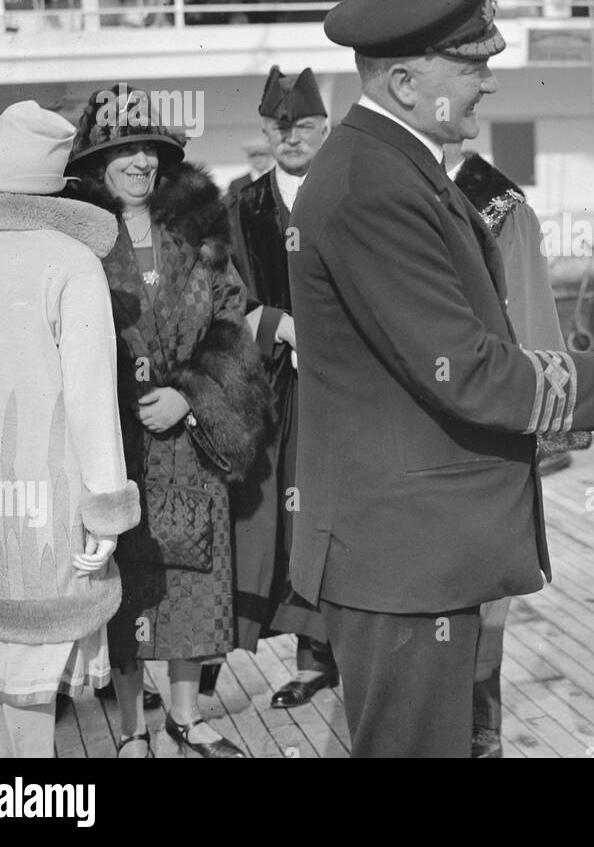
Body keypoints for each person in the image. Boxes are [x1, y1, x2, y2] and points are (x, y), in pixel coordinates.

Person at [289, 0, 594, 758]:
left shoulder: (399, 168)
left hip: (425, 555)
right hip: (404, 563)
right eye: (472, 64)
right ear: (403, 80)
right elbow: (469, 370)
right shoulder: (375, 189)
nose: (488, 82)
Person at [65, 88, 272, 758]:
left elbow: (233, 323)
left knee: (194, 583)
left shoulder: (199, 234)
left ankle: (185, 717)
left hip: (189, 441)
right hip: (115, 445)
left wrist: (190, 393)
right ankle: (131, 729)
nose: (138, 162)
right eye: (122, 149)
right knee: (125, 588)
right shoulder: (79, 240)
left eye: (147, 149)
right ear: (98, 162)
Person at [0, 101, 140, 758]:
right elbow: (92, 404)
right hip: (53, 505)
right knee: (35, 682)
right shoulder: (73, 262)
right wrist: (108, 511)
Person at [443, 141, 590, 758]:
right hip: (396, 440)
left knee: (482, 606)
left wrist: (538, 425)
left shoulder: (499, 205)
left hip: (483, 438)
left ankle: (481, 737)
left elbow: (530, 329)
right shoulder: (377, 184)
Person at [226, 65, 339, 708]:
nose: (291, 136)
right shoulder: (240, 205)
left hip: (345, 381)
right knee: (277, 514)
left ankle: (336, 646)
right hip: (269, 381)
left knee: (335, 508)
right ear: (266, 130)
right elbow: (223, 298)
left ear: (326, 127)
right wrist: (281, 327)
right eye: (279, 126)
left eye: (304, 126)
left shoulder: (350, 193)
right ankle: (306, 653)